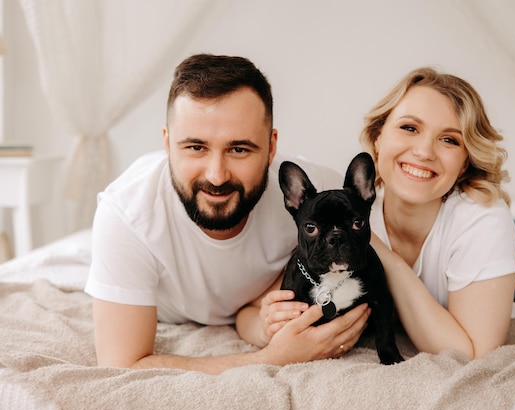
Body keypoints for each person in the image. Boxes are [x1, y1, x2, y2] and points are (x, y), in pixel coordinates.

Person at [85, 53, 370, 375]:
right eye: (195, 147)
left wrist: (269, 328)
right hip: (170, 309)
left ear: (271, 146)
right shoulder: (127, 214)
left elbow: (253, 314)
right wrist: (274, 358)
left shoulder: (318, 198)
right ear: (167, 143)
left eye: (239, 149)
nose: (217, 175)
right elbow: (122, 364)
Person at [359, 67, 515, 359]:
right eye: (409, 128)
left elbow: (472, 354)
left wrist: (389, 260)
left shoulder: (484, 220)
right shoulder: (347, 211)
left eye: (449, 140)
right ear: (377, 138)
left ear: (464, 163)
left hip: (483, 232)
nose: (424, 152)